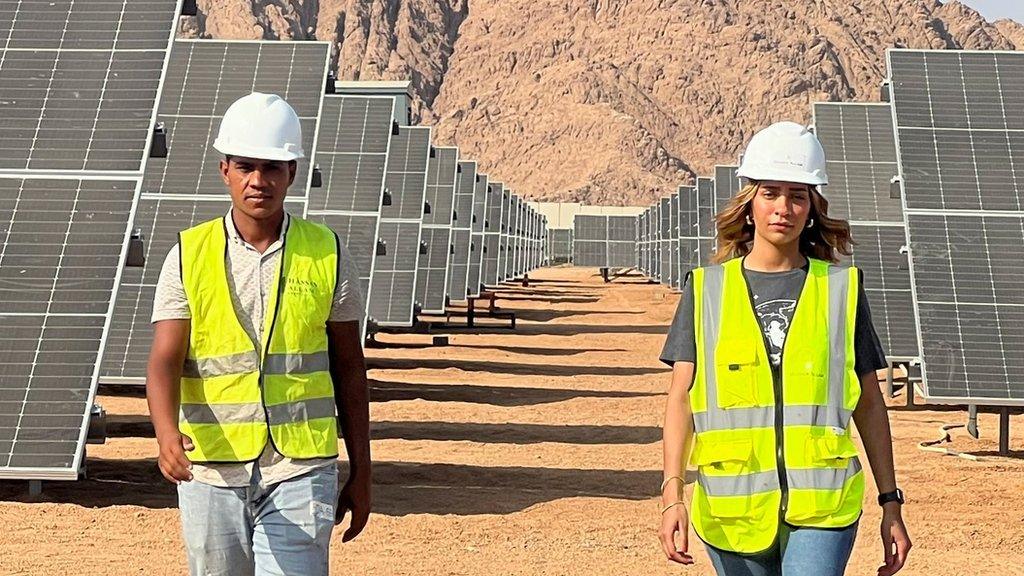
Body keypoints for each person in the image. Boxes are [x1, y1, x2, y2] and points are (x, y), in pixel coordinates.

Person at [657, 122, 912, 575]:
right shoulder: (706, 292)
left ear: (812, 208)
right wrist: (672, 493)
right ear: (749, 204)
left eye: (797, 195)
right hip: (732, 508)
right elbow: (681, 397)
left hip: (823, 506)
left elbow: (869, 402)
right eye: (770, 192)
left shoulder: (841, 289)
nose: (783, 207)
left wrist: (890, 502)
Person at [146, 92, 372, 576]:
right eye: (246, 165)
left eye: (273, 167)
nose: (258, 180)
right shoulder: (188, 254)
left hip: (301, 466)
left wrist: (363, 471)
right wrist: (166, 433)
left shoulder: (327, 252)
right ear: (224, 168)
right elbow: (165, 358)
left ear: (292, 172)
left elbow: (350, 368)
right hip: (211, 467)